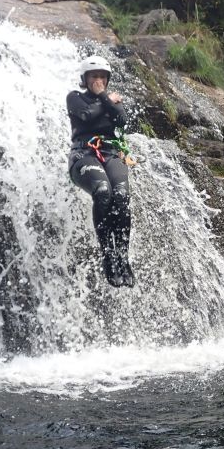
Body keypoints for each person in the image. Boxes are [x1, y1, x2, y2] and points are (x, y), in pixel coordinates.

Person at [67, 55, 135, 287]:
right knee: (103, 190)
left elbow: (121, 120)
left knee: (121, 195)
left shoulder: (112, 101)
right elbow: (85, 116)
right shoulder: (75, 98)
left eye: (103, 77)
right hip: (83, 155)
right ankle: (108, 256)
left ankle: (122, 257)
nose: (99, 81)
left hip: (111, 153)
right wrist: (105, 98)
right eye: (94, 76)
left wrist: (106, 98)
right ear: (85, 79)